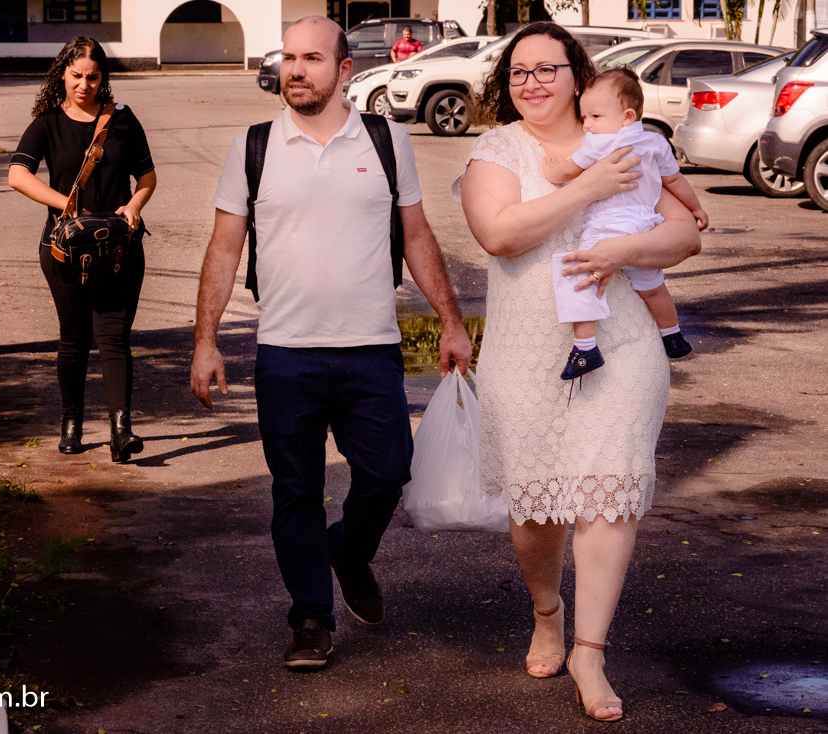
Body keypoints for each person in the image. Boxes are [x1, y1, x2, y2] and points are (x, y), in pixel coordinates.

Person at [191, 16, 471, 669]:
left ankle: (348, 549)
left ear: (344, 70)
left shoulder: (385, 139)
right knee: (295, 490)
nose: (295, 69)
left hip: (371, 347)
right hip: (286, 353)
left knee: (388, 470)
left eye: (311, 58)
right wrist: (205, 340)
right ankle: (311, 618)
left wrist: (451, 322)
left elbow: (418, 236)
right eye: (289, 57)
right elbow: (223, 246)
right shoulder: (252, 146)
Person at [456, 22, 700, 722]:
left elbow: (683, 230)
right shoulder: (496, 150)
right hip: (525, 351)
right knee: (536, 511)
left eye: (547, 69)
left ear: (576, 73)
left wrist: (624, 249)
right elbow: (500, 234)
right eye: (518, 72)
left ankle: (590, 651)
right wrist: (590, 185)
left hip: (620, 344)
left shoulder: (626, 140)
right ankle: (547, 609)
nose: (532, 83)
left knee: (609, 494)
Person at [8, 37, 156, 462]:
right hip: (66, 251)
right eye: (77, 76)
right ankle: (71, 422)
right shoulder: (48, 124)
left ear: (102, 78)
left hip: (119, 248)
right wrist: (64, 204)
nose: (84, 85)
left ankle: (121, 429)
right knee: (75, 339)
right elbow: (18, 175)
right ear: (63, 76)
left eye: (93, 77)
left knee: (115, 338)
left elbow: (147, 178)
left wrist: (133, 204)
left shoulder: (123, 121)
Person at [542, 67, 705, 380]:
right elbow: (674, 180)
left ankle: (585, 348)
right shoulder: (655, 143)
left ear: (627, 116)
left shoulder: (598, 145)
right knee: (653, 287)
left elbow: (567, 173)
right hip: (646, 223)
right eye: (584, 116)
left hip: (607, 227)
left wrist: (551, 170)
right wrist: (696, 208)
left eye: (594, 117)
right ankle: (672, 334)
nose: (587, 124)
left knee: (579, 280)